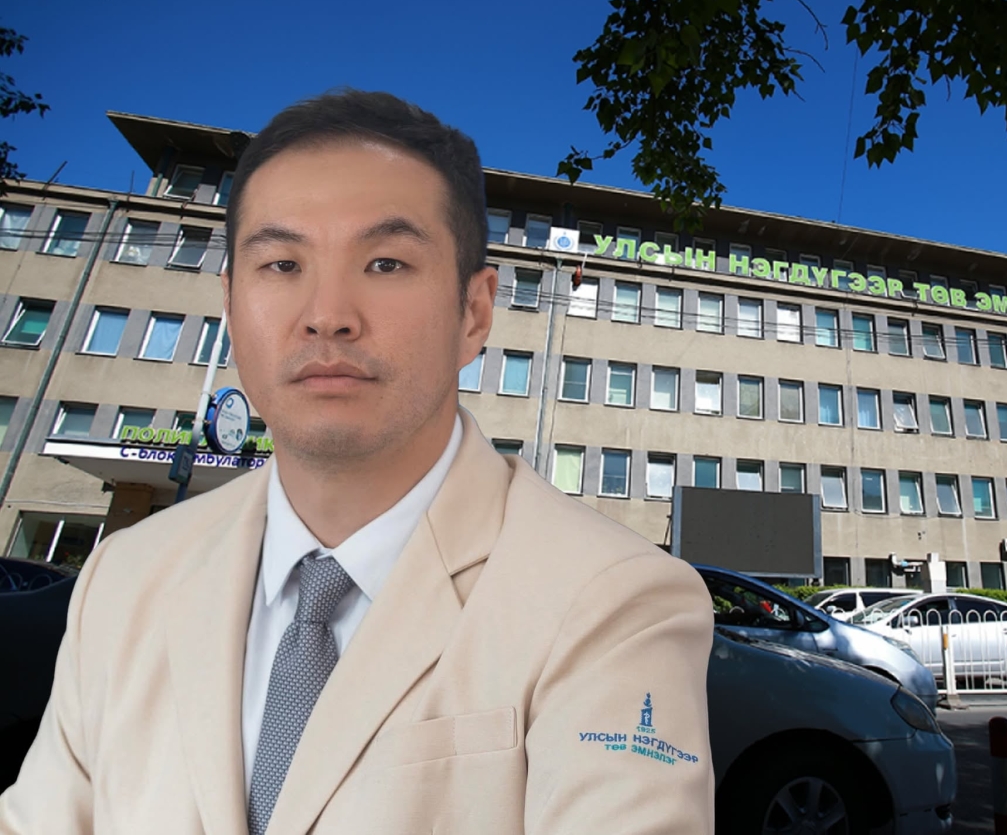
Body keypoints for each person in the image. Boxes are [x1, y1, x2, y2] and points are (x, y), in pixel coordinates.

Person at [0, 90, 715, 834]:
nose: (327, 314)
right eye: (282, 263)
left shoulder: (613, 602)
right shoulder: (123, 579)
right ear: (231, 306)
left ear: (474, 313)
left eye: (384, 262)